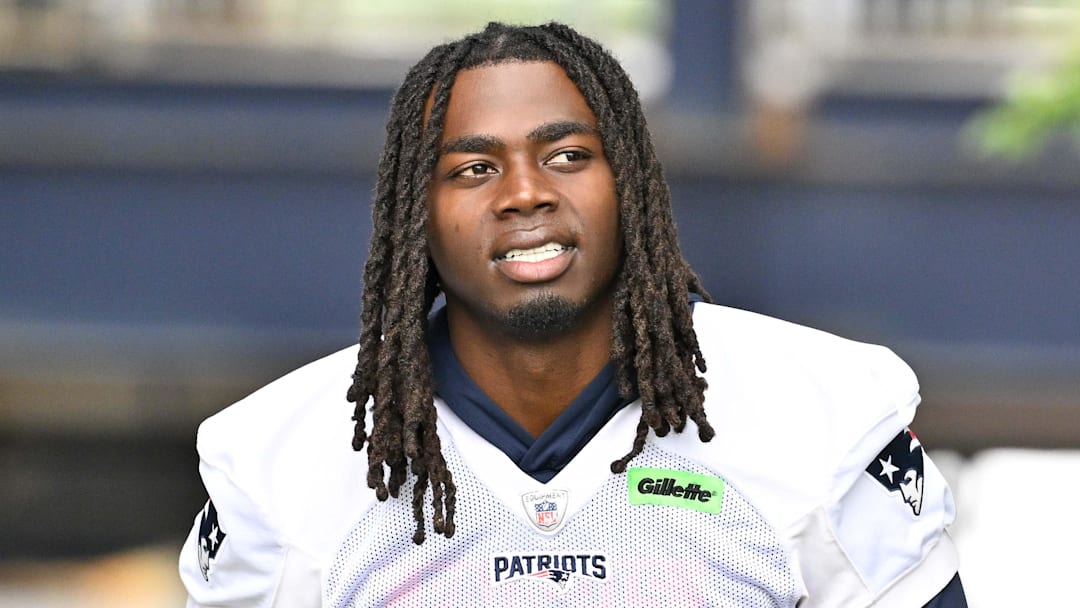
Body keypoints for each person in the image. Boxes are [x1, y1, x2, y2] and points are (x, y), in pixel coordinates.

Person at [179, 21, 967, 607]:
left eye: (567, 157)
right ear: (414, 215)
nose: (525, 193)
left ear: (631, 185)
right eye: (474, 168)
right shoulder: (280, 461)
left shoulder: (820, 415)